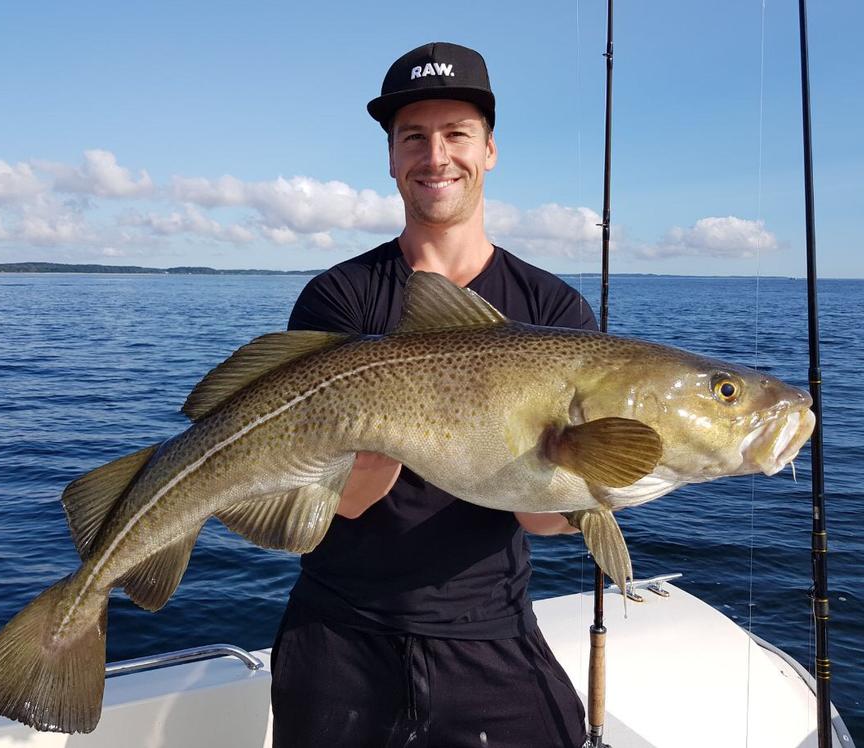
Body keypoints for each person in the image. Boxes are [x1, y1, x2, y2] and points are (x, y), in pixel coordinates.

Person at [270, 42, 595, 748]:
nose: (435, 155)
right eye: (412, 137)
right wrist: (388, 423)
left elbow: (544, 522)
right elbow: (342, 503)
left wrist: (611, 472)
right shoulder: (340, 296)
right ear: (391, 159)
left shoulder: (553, 310)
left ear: (490, 151)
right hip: (338, 633)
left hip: (489, 633)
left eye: (457, 134)